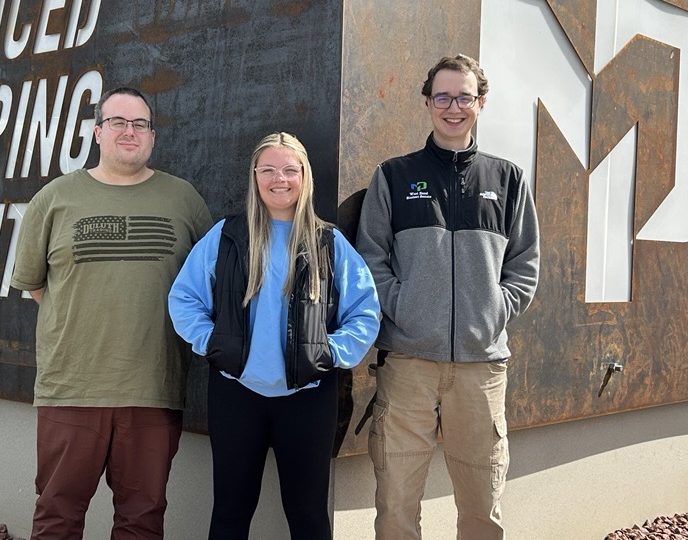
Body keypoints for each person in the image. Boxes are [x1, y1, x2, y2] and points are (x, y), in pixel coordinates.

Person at [11, 86, 213, 539]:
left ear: (153, 137)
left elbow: (207, 284)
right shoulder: (55, 198)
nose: (129, 131)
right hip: (71, 390)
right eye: (118, 122)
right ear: (98, 132)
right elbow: (36, 287)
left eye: (139, 124)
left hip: (154, 390)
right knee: (57, 516)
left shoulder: (183, 200)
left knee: (141, 520)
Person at [356, 54, 540, 539]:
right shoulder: (394, 176)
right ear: (426, 102)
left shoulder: (508, 179)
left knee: (483, 505)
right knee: (396, 501)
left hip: (481, 369)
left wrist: (492, 311)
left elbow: (524, 266)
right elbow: (371, 260)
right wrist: (406, 308)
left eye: (464, 97)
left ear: (481, 103)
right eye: (442, 97)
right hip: (409, 364)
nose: (452, 107)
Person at [168, 131, 380, 540]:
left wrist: (329, 352)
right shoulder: (227, 236)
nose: (278, 178)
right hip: (235, 395)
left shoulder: (327, 242)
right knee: (230, 513)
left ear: (304, 176)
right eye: (267, 169)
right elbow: (184, 299)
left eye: (289, 169)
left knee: (308, 518)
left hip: (308, 397)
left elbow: (365, 311)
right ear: (254, 175)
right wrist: (213, 343)